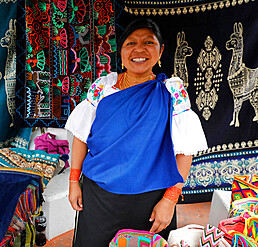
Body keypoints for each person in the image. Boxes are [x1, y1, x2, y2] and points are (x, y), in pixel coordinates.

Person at [64, 18, 208, 247]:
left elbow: (185, 151)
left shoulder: (173, 92)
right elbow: (81, 137)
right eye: (130, 43)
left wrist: (169, 200)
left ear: (160, 51)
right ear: (120, 53)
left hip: (150, 202)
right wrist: (73, 181)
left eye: (148, 43)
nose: (139, 50)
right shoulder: (102, 87)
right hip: (99, 197)